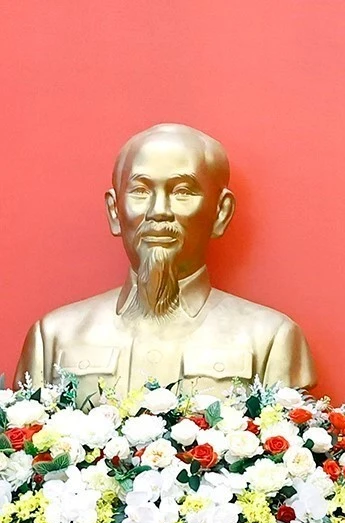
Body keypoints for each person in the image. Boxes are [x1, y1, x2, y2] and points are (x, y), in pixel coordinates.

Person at [15, 123, 315, 397]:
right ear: (115, 211)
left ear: (220, 212)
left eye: (182, 191)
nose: (159, 211)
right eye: (141, 190)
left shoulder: (270, 339)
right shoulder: (53, 337)